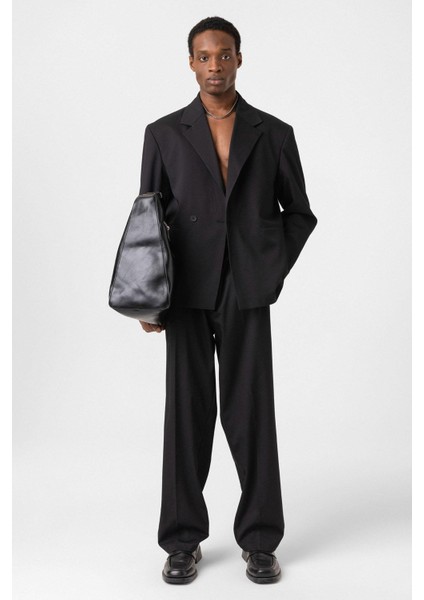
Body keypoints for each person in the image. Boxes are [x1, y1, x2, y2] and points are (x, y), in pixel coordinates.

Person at [138, 16, 317, 584]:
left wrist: (266, 268)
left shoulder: (274, 133)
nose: (214, 65)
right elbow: (147, 220)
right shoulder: (163, 133)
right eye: (204, 56)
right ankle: (181, 540)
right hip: (186, 291)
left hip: (246, 290)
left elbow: (299, 214)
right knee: (185, 415)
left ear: (240, 58)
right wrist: (151, 298)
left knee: (251, 412)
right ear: (190, 63)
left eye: (224, 54)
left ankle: (261, 540)